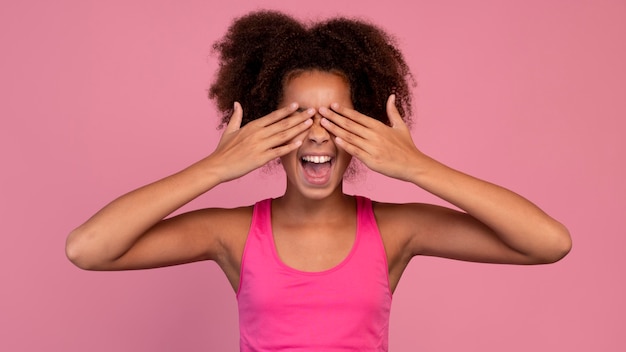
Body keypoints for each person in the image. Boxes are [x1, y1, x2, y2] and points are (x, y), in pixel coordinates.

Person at [65, 10, 571, 351]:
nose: (317, 134)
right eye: (297, 116)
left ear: (365, 127)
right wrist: (215, 167)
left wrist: (417, 166)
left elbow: (548, 242)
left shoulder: (393, 230)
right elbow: (88, 248)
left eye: (337, 117)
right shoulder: (234, 233)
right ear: (267, 128)